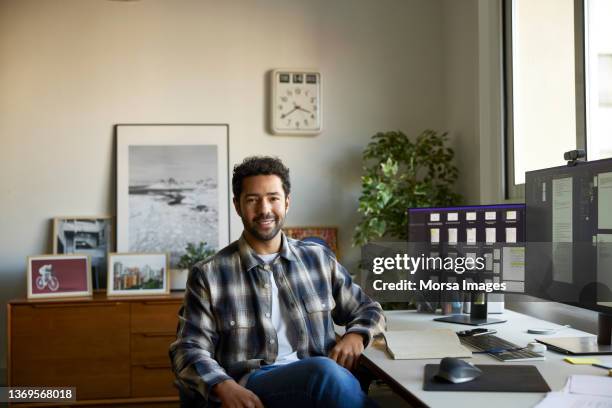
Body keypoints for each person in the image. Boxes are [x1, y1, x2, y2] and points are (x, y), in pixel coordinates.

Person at [170, 156, 385, 408]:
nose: (264, 210)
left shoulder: (318, 259)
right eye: (252, 200)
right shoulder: (209, 274)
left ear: (287, 203)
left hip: (320, 384)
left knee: (331, 376)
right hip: (254, 386)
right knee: (324, 373)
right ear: (237, 206)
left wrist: (356, 336)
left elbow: (368, 309)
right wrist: (222, 384)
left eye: (273, 198)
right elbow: (188, 347)